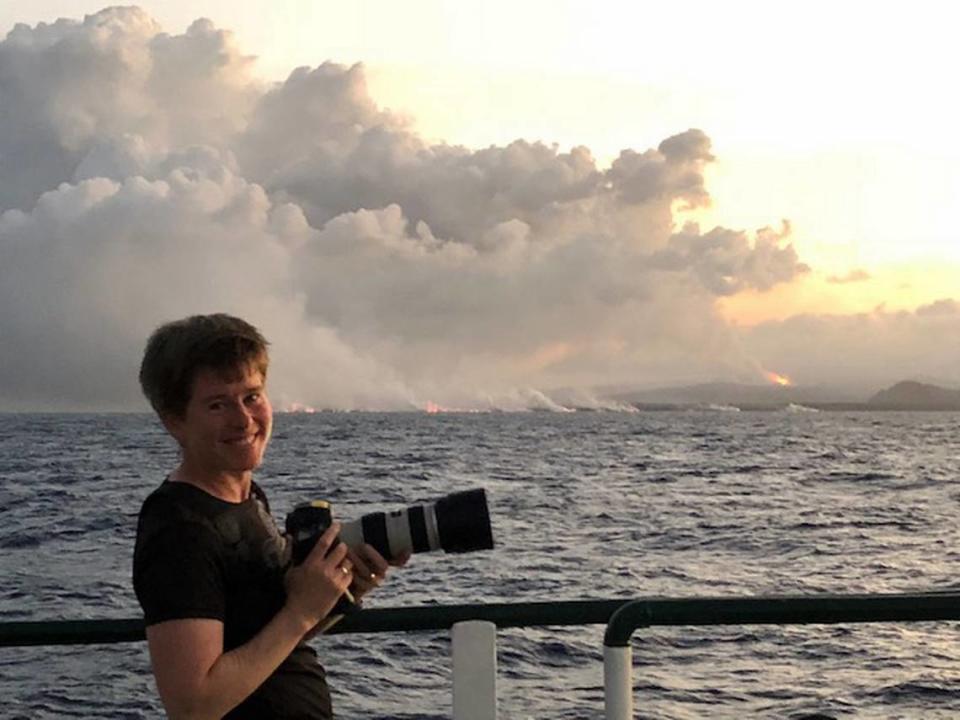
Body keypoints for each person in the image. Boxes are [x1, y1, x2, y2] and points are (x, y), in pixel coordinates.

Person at [133, 313, 403, 719]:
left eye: (252, 396)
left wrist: (335, 593)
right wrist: (300, 612)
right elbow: (192, 705)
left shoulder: (246, 496)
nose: (243, 419)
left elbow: (272, 636)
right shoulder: (179, 529)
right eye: (217, 404)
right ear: (175, 421)